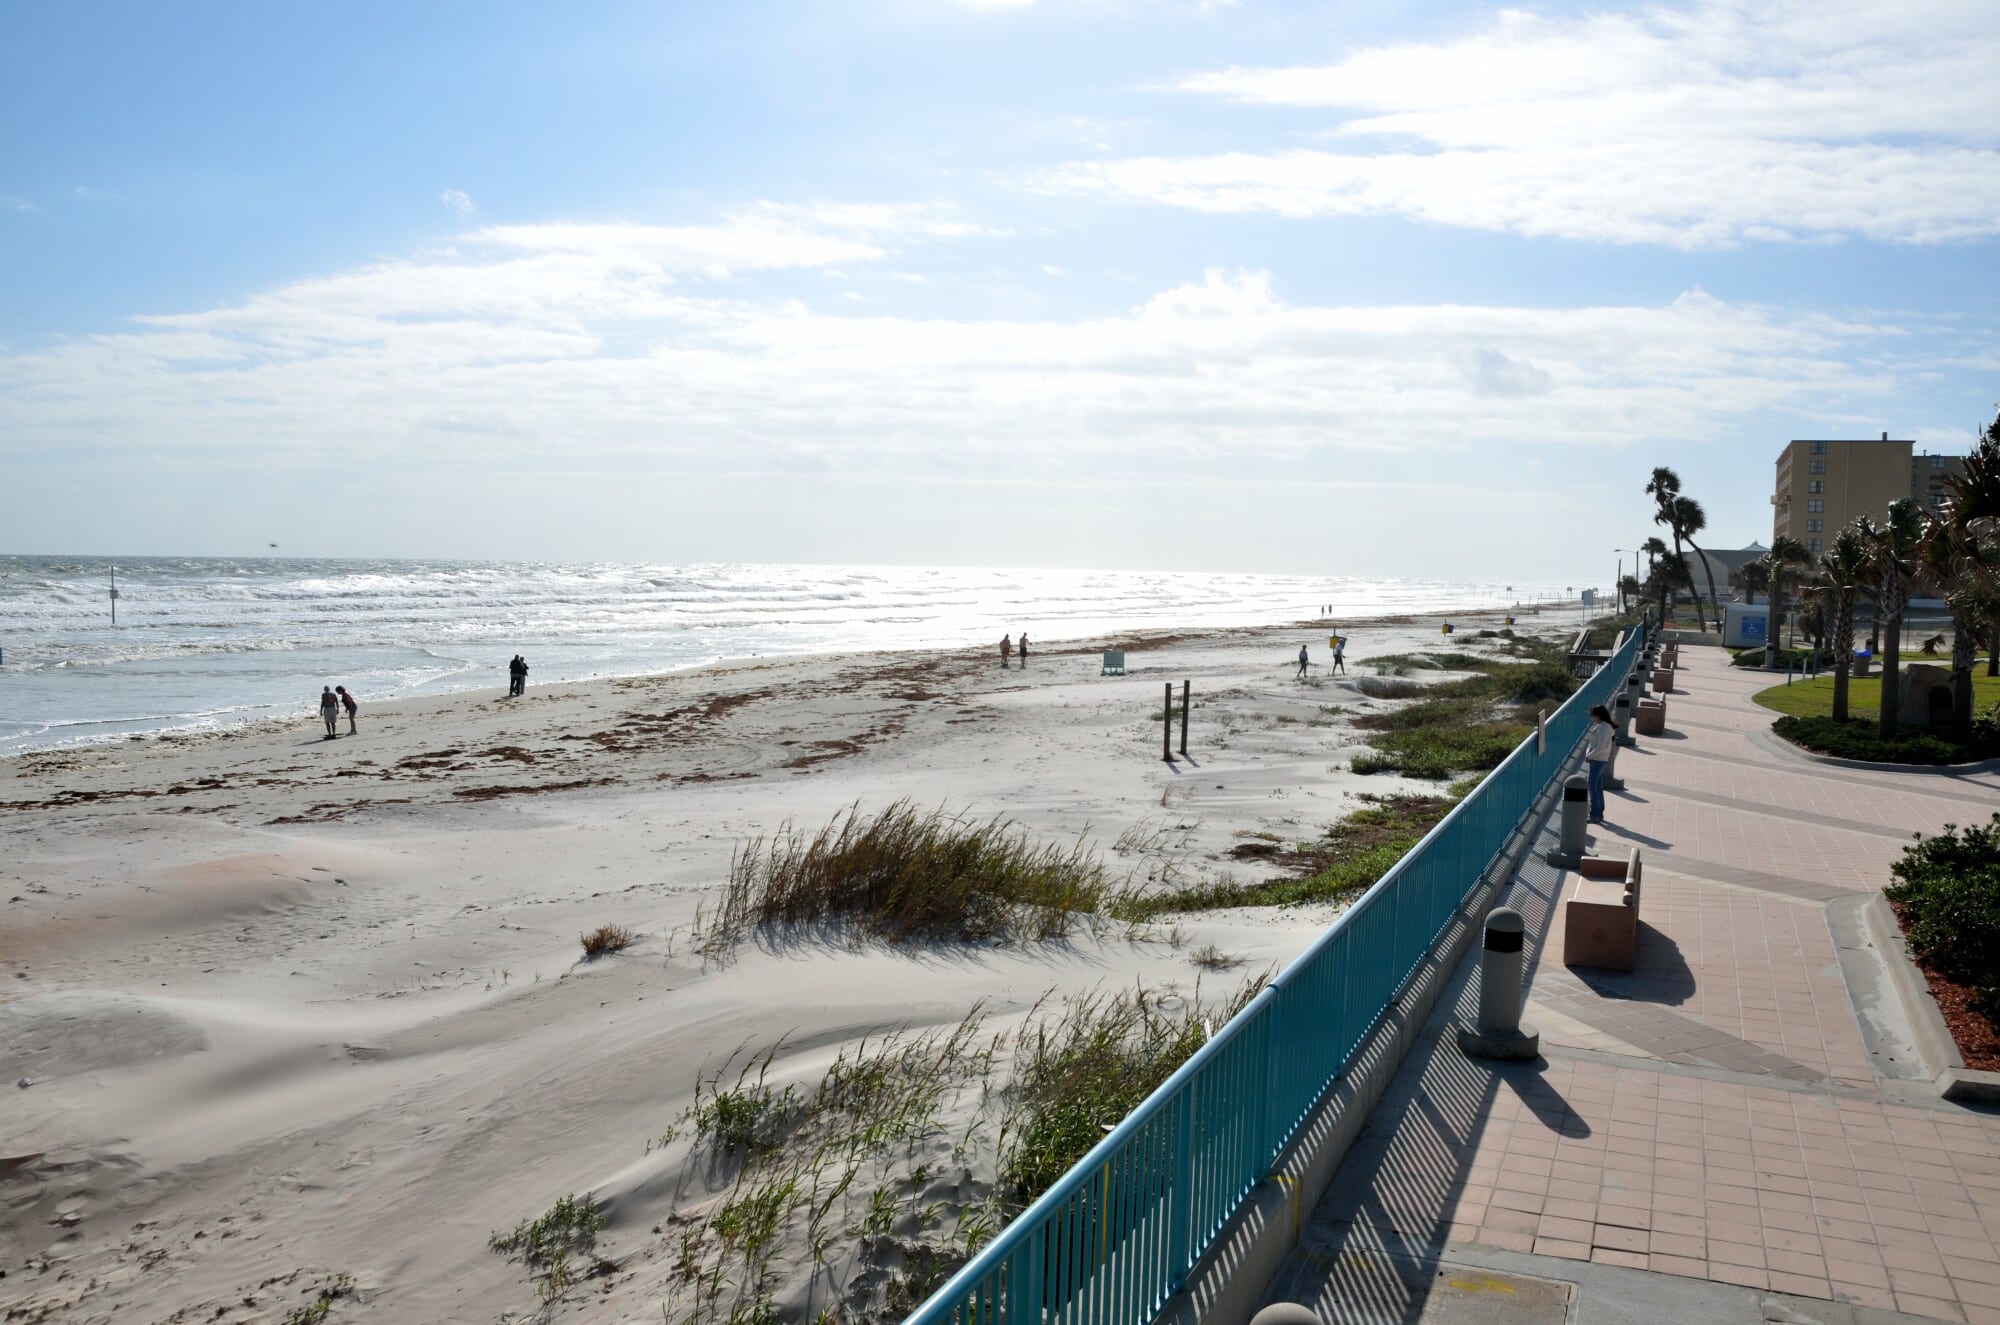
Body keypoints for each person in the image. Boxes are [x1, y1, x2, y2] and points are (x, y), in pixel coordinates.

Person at [1584, 704, 1614, 823]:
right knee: (1597, 786)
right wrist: (1588, 754)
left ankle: (1594, 814)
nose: (1592, 718)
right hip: (1599, 759)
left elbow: (1600, 746)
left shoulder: (1604, 728)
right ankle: (1599, 813)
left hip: (1598, 760)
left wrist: (1589, 756)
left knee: (1592, 785)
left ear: (1598, 715)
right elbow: (1593, 744)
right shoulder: (1603, 726)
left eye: (1593, 716)